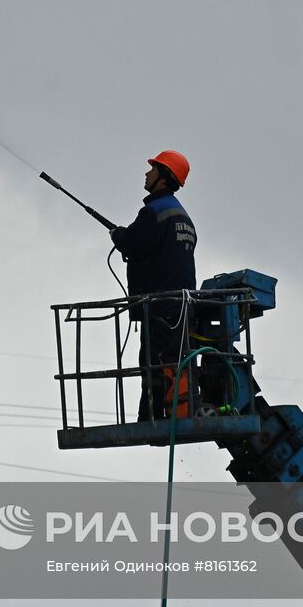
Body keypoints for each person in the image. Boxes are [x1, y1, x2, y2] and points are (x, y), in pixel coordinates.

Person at [110, 151, 197, 421]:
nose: (146, 174)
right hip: (180, 308)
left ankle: (151, 416)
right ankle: (171, 414)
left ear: (163, 177)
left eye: (152, 169)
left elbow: (133, 244)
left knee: (153, 364)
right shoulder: (184, 218)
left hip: (159, 307)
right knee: (171, 364)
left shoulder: (155, 212)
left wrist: (119, 235)